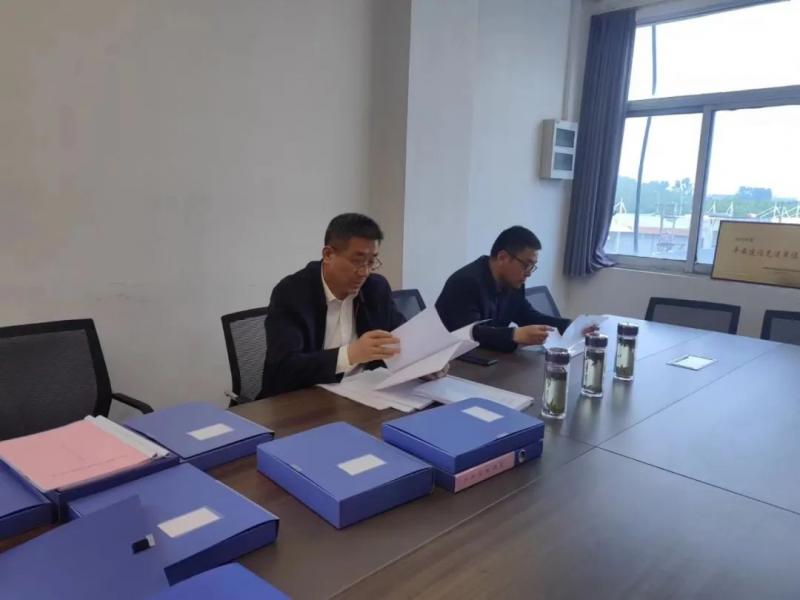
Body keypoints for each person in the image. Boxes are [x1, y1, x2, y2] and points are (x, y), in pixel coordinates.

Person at [260, 213, 425, 398]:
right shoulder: (292, 292)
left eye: (371, 262)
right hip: (301, 400)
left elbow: (400, 338)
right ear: (328, 254)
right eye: (357, 261)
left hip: (365, 395)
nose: (364, 272)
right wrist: (350, 354)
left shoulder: (375, 288)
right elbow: (283, 368)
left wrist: (424, 364)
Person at [436, 226, 590, 353]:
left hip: (489, 359)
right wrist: (514, 335)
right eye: (526, 265)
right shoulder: (466, 282)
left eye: (533, 266)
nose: (529, 273)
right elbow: (469, 334)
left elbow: (529, 316)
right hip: (452, 364)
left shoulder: (512, 283)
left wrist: (572, 327)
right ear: (502, 258)